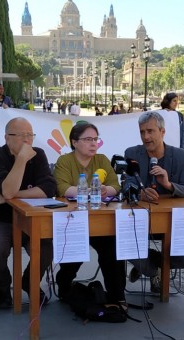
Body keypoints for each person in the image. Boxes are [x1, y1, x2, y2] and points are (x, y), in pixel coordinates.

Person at [0, 117, 57, 308]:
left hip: (32, 219)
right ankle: (3, 286)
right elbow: (7, 188)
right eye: (22, 136)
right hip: (4, 220)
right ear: (7, 138)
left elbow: (48, 189)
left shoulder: (38, 155)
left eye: (30, 135)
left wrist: (9, 197)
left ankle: (29, 282)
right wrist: (22, 158)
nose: (27, 141)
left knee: (48, 248)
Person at [52, 122, 127, 306]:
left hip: (100, 220)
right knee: (76, 251)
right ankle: (64, 285)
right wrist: (88, 190)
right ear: (75, 142)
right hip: (74, 220)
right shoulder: (65, 161)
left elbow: (115, 186)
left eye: (95, 139)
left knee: (112, 248)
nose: (94, 144)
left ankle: (117, 297)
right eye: (88, 139)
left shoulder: (101, 159)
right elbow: (62, 189)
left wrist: (104, 190)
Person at [124, 111, 184, 292]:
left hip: (170, 223)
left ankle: (152, 263)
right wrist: (139, 194)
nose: (146, 137)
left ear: (162, 132)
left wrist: (169, 184)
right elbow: (125, 187)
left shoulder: (180, 156)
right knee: (123, 245)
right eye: (142, 132)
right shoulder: (131, 153)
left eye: (150, 131)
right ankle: (151, 270)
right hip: (139, 221)